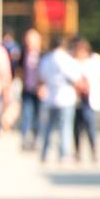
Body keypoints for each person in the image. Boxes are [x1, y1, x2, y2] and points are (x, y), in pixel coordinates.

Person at [38, 35, 82, 163]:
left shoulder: (46, 60)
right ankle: (64, 154)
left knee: (49, 128)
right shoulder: (66, 59)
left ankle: (44, 153)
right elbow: (75, 77)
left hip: (50, 97)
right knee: (65, 127)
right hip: (65, 97)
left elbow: (41, 77)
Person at [72, 37, 100, 163]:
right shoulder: (72, 61)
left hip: (89, 100)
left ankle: (93, 150)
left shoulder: (94, 60)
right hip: (76, 100)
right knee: (76, 128)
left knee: (90, 125)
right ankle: (77, 151)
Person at [17, 28, 44, 151]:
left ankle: (36, 138)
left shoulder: (43, 54)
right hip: (27, 89)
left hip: (39, 90)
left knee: (38, 116)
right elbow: (19, 70)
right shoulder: (23, 54)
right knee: (26, 115)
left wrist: (43, 86)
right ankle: (24, 138)